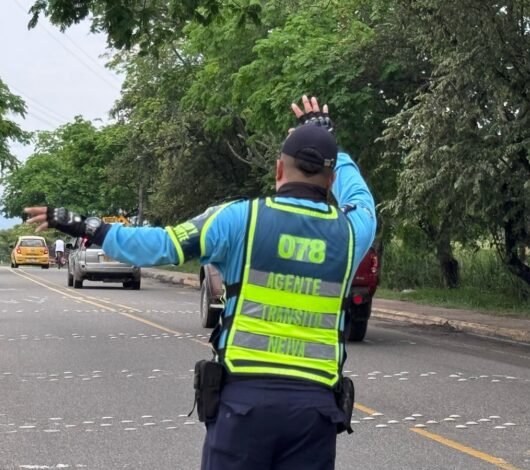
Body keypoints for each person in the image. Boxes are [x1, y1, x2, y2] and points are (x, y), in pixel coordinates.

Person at [24, 96, 376, 470]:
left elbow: (159, 245)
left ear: (278, 171)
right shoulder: (352, 232)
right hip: (314, 413)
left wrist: (81, 224)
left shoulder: (240, 220)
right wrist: (328, 138)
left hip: (244, 405)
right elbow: (361, 199)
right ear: (332, 178)